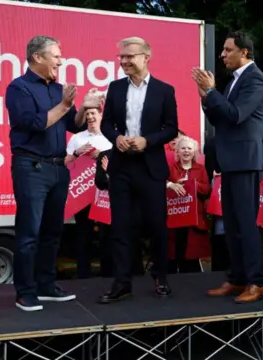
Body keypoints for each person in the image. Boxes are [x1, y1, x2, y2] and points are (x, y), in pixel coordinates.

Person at [5, 35, 100, 312]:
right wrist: (67, 105)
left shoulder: (58, 89)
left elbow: (74, 124)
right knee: (29, 232)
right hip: (31, 167)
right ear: (38, 57)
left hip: (59, 168)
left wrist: (85, 106)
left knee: (52, 232)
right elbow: (35, 123)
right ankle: (25, 292)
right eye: (56, 56)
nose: (61, 60)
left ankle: (46, 286)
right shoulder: (18, 88)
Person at [191, 31, 263, 304]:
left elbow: (235, 115)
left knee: (246, 224)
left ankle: (256, 282)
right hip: (231, 161)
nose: (222, 55)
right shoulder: (235, 81)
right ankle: (237, 278)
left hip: (246, 160)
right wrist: (206, 97)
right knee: (231, 224)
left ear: (244, 52)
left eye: (227, 50)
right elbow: (220, 116)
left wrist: (212, 92)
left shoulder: (256, 80)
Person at [97, 36, 178, 304]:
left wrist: (148, 140)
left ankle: (161, 276)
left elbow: (171, 128)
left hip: (151, 168)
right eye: (121, 57)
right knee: (120, 227)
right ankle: (122, 283)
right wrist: (116, 138)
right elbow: (107, 123)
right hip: (121, 167)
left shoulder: (164, 90)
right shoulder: (115, 87)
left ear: (146, 57)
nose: (124, 61)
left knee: (157, 225)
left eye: (129, 56)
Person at [65, 106, 113, 279]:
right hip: (82, 195)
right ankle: (83, 274)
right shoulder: (77, 138)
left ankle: (108, 273)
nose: (90, 117)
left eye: (93, 113)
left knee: (106, 235)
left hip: (105, 193)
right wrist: (78, 152)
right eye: (87, 114)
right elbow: (65, 162)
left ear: (101, 115)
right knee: (83, 234)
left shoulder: (111, 136)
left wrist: (102, 155)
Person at [166, 136, 211, 273]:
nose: (186, 151)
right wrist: (171, 185)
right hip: (175, 215)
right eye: (183, 148)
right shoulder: (171, 168)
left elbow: (208, 190)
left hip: (194, 218)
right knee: (173, 251)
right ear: (177, 151)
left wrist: (194, 185)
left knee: (191, 254)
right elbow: (161, 183)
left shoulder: (201, 169)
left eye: (189, 148)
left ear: (194, 152)